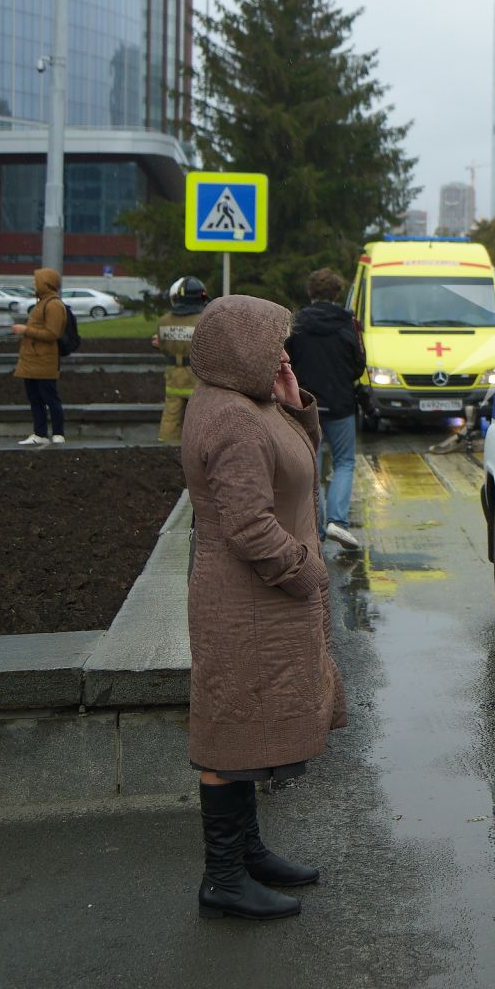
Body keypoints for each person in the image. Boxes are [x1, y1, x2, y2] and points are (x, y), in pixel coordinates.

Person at [181, 294, 346, 922]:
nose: (284, 351)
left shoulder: (250, 403)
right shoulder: (231, 420)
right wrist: (307, 576)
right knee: (230, 731)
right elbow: (248, 527)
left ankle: (246, 852)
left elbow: (299, 464)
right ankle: (222, 878)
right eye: (274, 341)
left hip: (262, 600)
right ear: (239, 349)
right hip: (248, 601)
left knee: (248, 728)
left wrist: (294, 399)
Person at [285, 269, 366, 551]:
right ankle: (338, 523)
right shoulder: (349, 324)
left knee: (311, 466)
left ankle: (315, 528)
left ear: (311, 293)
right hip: (342, 403)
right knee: (344, 462)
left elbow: (285, 360)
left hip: (304, 405)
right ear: (337, 293)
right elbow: (359, 365)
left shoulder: (296, 323)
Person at [11, 268, 67, 446]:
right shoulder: (42, 302)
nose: (34, 284)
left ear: (46, 283)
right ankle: (40, 433)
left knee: (50, 398)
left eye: (37, 281)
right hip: (33, 360)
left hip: (44, 360)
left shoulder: (54, 305)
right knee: (35, 399)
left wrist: (26, 330)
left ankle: (58, 433)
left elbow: (52, 333)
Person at [154, 277, 208, 445]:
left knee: (171, 414)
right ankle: (198, 447)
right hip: (197, 376)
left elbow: (162, 347)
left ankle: (166, 445)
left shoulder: (164, 321)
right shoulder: (204, 320)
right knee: (199, 415)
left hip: (173, 375)